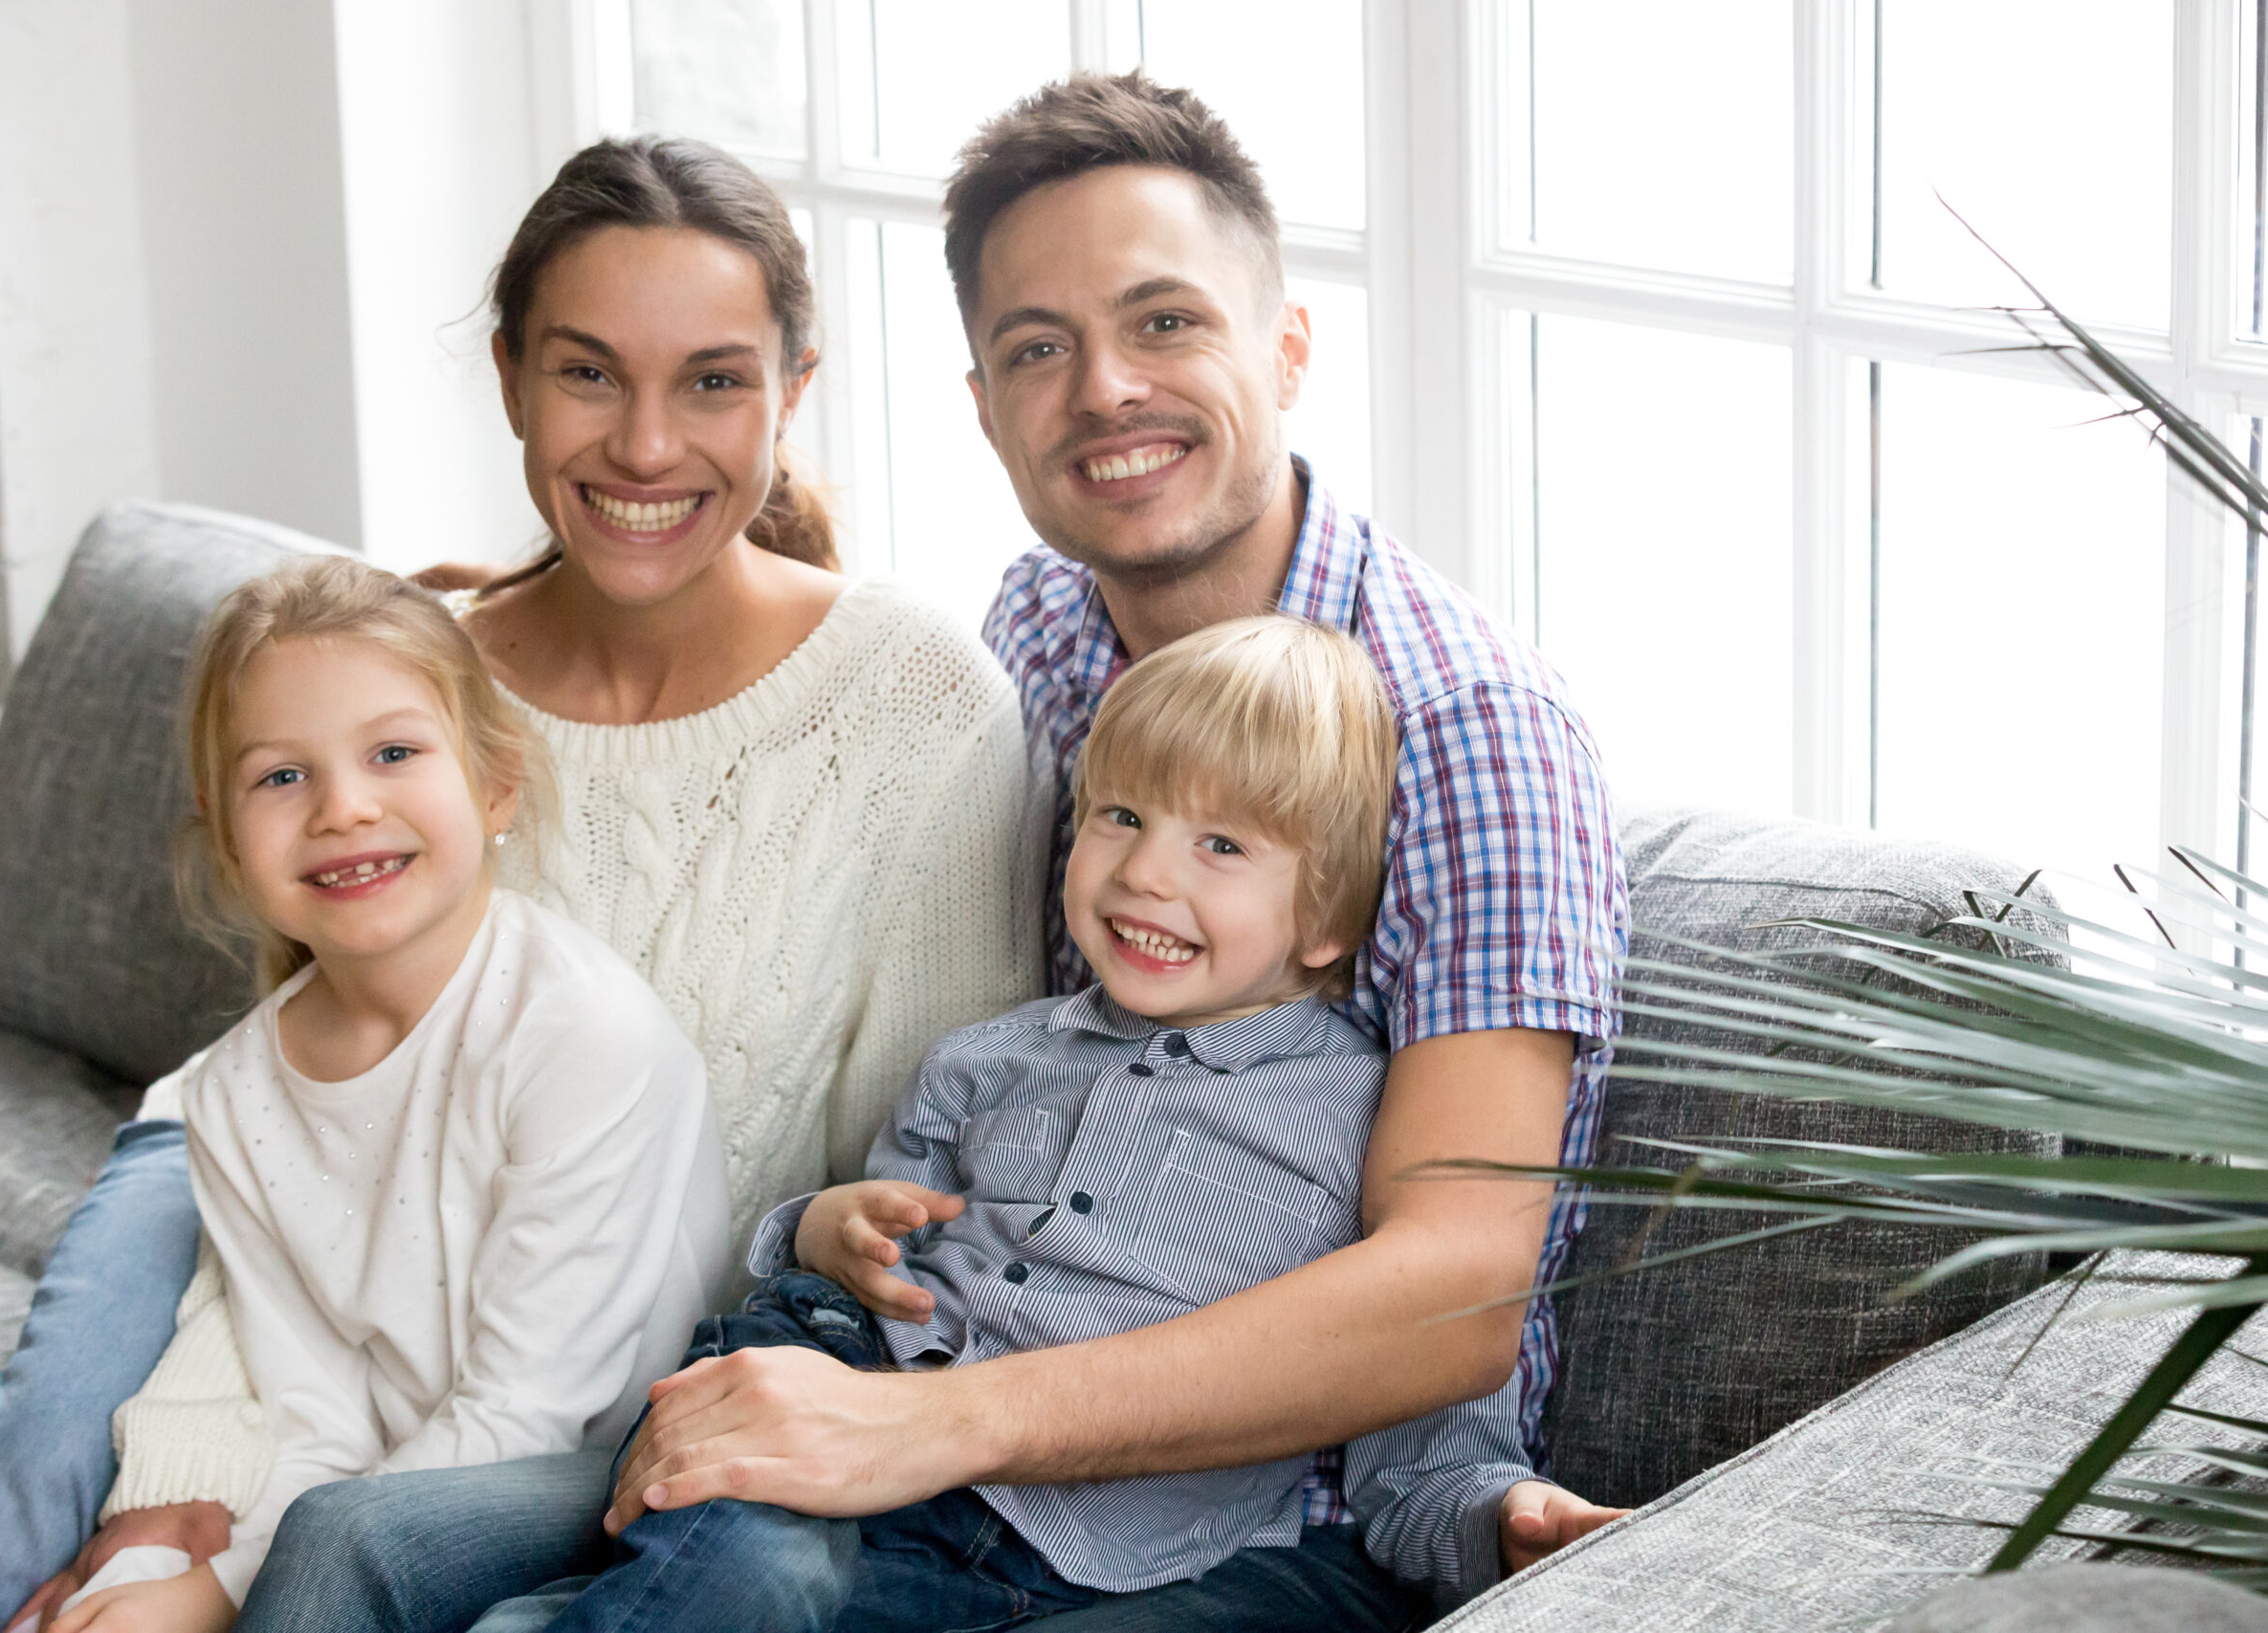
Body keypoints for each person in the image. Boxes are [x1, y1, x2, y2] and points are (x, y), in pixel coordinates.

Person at [0, 136, 1042, 1633]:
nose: (645, 445)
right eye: (588, 373)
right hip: (260, 1176)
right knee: (26, 1470)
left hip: (606, 1332)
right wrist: (168, 1505)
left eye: (713, 380)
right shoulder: (417, 678)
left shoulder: (921, 699)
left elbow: (929, 1178)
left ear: (793, 387)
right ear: (513, 377)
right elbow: (314, 1104)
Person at [592, 73, 1627, 1629]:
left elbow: (1454, 1291)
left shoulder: (1467, 730)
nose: (1104, 391)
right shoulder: (1043, 626)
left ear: (1286, 348)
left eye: (1164, 322)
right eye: (1038, 348)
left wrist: (934, 1423)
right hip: (959, 1446)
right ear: (985, 406)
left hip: (1294, 1518)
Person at [471, 616, 1618, 1633]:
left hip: (1062, 1556)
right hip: (842, 1379)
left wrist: (1500, 1521)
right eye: (1121, 816)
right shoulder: (988, 1056)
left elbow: (1419, 1418)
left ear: (1326, 918)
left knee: (713, 1596)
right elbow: (876, 1248)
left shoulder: (1362, 1125)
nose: (1146, 873)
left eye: (1222, 845)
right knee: (749, 1543)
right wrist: (825, 1227)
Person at [41, 557, 732, 1633]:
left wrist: (218, 1592)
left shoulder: (580, 1035)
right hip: (378, 1500)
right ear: (226, 837)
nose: (343, 808)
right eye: (282, 776)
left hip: (599, 1491)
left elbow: (527, 1416)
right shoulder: (231, 1097)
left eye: (394, 753)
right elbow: (313, 1414)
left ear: (494, 783)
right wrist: (162, 1584)